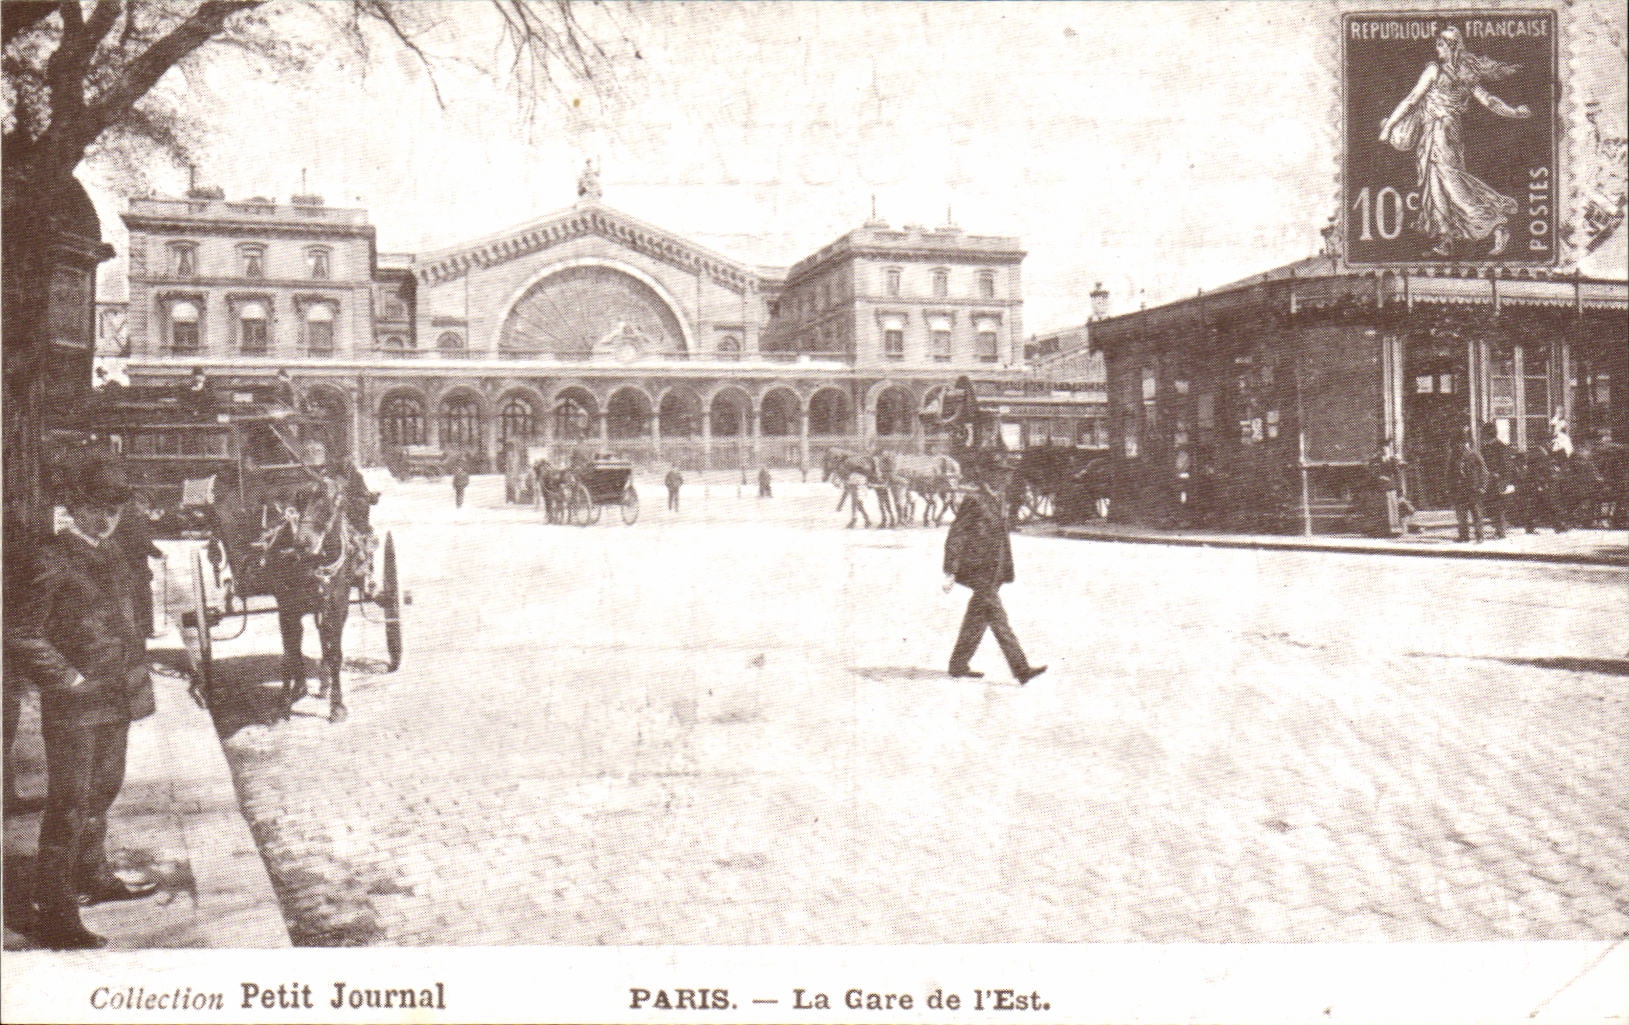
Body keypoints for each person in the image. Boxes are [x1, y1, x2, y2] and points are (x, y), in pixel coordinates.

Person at [6, 450, 159, 949]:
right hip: (76, 706)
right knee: (69, 805)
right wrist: (66, 679)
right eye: (98, 506)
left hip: (117, 696)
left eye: (115, 508)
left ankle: (93, 876)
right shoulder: (50, 556)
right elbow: (22, 632)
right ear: (75, 506)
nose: (107, 516)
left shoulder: (114, 551)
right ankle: (54, 911)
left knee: (104, 790)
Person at [1377, 25, 1533, 258]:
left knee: (1450, 182)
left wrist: (1389, 126)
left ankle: (1495, 224)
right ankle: (1445, 238)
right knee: (1437, 183)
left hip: (1441, 132)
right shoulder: (1465, 76)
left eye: (1441, 44)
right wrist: (1514, 112)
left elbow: (1412, 99)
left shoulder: (1435, 71)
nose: (1437, 48)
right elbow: (1489, 101)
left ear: (1452, 47)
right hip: (1444, 134)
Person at [942, 473, 1045, 685]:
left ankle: (958, 664)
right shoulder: (975, 500)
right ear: (992, 475)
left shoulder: (999, 498)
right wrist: (950, 570)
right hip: (979, 569)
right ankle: (1021, 668)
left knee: (978, 617)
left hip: (994, 569)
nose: (1006, 477)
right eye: (1002, 472)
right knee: (999, 619)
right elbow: (957, 533)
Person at [113, 492, 163, 638]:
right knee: (143, 597)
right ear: (138, 503)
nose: (146, 509)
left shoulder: (122, 517)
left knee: (129, 597)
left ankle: (134, 630)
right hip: (136, 564)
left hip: (124, 562)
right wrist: (158, 553)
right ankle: (146, 630)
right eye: (145, 505)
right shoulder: (136, 520)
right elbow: (143, 541)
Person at [1449, 429, 1490, 542]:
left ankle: (1479, 536)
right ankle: (1463, 536)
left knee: (1476, 513)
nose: (1457, 447)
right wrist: (1450, 488)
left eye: (1460, 444)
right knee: (1461, 515)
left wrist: (1483, 487)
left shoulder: (1474, 454)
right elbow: (1449, 473)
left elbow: (1484, 472)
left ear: (1465, 443)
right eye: (1456, 445)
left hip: (1473, 489)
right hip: (1459, 490)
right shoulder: (1454, 457)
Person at [1479, 423, 1514, 540]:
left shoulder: (1500, 447)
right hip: (1488, 482)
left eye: (1483, 434)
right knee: (1490, 507)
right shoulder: (1485, 447)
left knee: (1498, 507)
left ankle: (1500, 531)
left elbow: (1507, 466)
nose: (1482, 436)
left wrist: (1502, 479)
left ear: (1488, 434)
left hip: (1497, 482)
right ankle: (1498, 529)